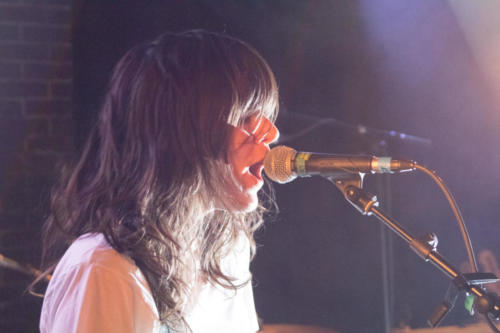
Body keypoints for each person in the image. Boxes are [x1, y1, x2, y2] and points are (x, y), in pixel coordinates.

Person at [35, 30, 280, 332]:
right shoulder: (105, 271)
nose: (271, 133)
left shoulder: (228, 252)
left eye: (266, 116)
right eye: (246, 117)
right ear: (183, 132)